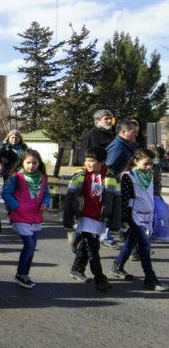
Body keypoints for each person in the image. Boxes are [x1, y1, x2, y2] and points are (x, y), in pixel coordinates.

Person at [62, 146, 120, 292]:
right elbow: (69, 198)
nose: (88, 164)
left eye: (92, 161)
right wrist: (67, 218)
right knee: (92, 247)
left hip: (99, 218)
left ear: (102, 163)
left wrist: (116, 221)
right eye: (86, 160)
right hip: (84, 217)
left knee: (89, 245)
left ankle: (76, 268)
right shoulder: (80, 175)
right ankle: (100, 278)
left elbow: (117, 200)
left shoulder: (111, 176)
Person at [111, 149, 168, 291]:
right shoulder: (127, 176)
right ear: (135, 161)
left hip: (147, 215)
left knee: (131, 241)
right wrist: (123, 219)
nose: (149, 167)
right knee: (145, 246)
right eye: (146, 164)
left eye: (152, 164)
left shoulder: (149, 175)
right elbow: (124, 199)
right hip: (134, 216)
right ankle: (150, 278)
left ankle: (117, 266)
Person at [1, 149, 51, 289]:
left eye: (34, 163)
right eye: (28, 162)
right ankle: (21, 274)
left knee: (32, 247)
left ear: (39, 163)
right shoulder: (16, 177)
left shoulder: (42, 177)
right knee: (29, 245)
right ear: (22, 163)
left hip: (36, 217)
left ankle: (24, 274)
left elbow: (46, 194)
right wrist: (17, 207)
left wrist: (46, 203)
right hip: (21, 217)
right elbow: (6, 194)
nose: (31, 166)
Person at [102, 119, 140, 248]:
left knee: (119, 213)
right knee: (112, 211)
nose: (136, 135)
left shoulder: (125, 145)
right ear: (124, 132)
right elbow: (108, 167)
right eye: (133, 132)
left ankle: (129, 244)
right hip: (113, 185)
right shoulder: (118, 147)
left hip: (119, 184)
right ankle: (105, 236)